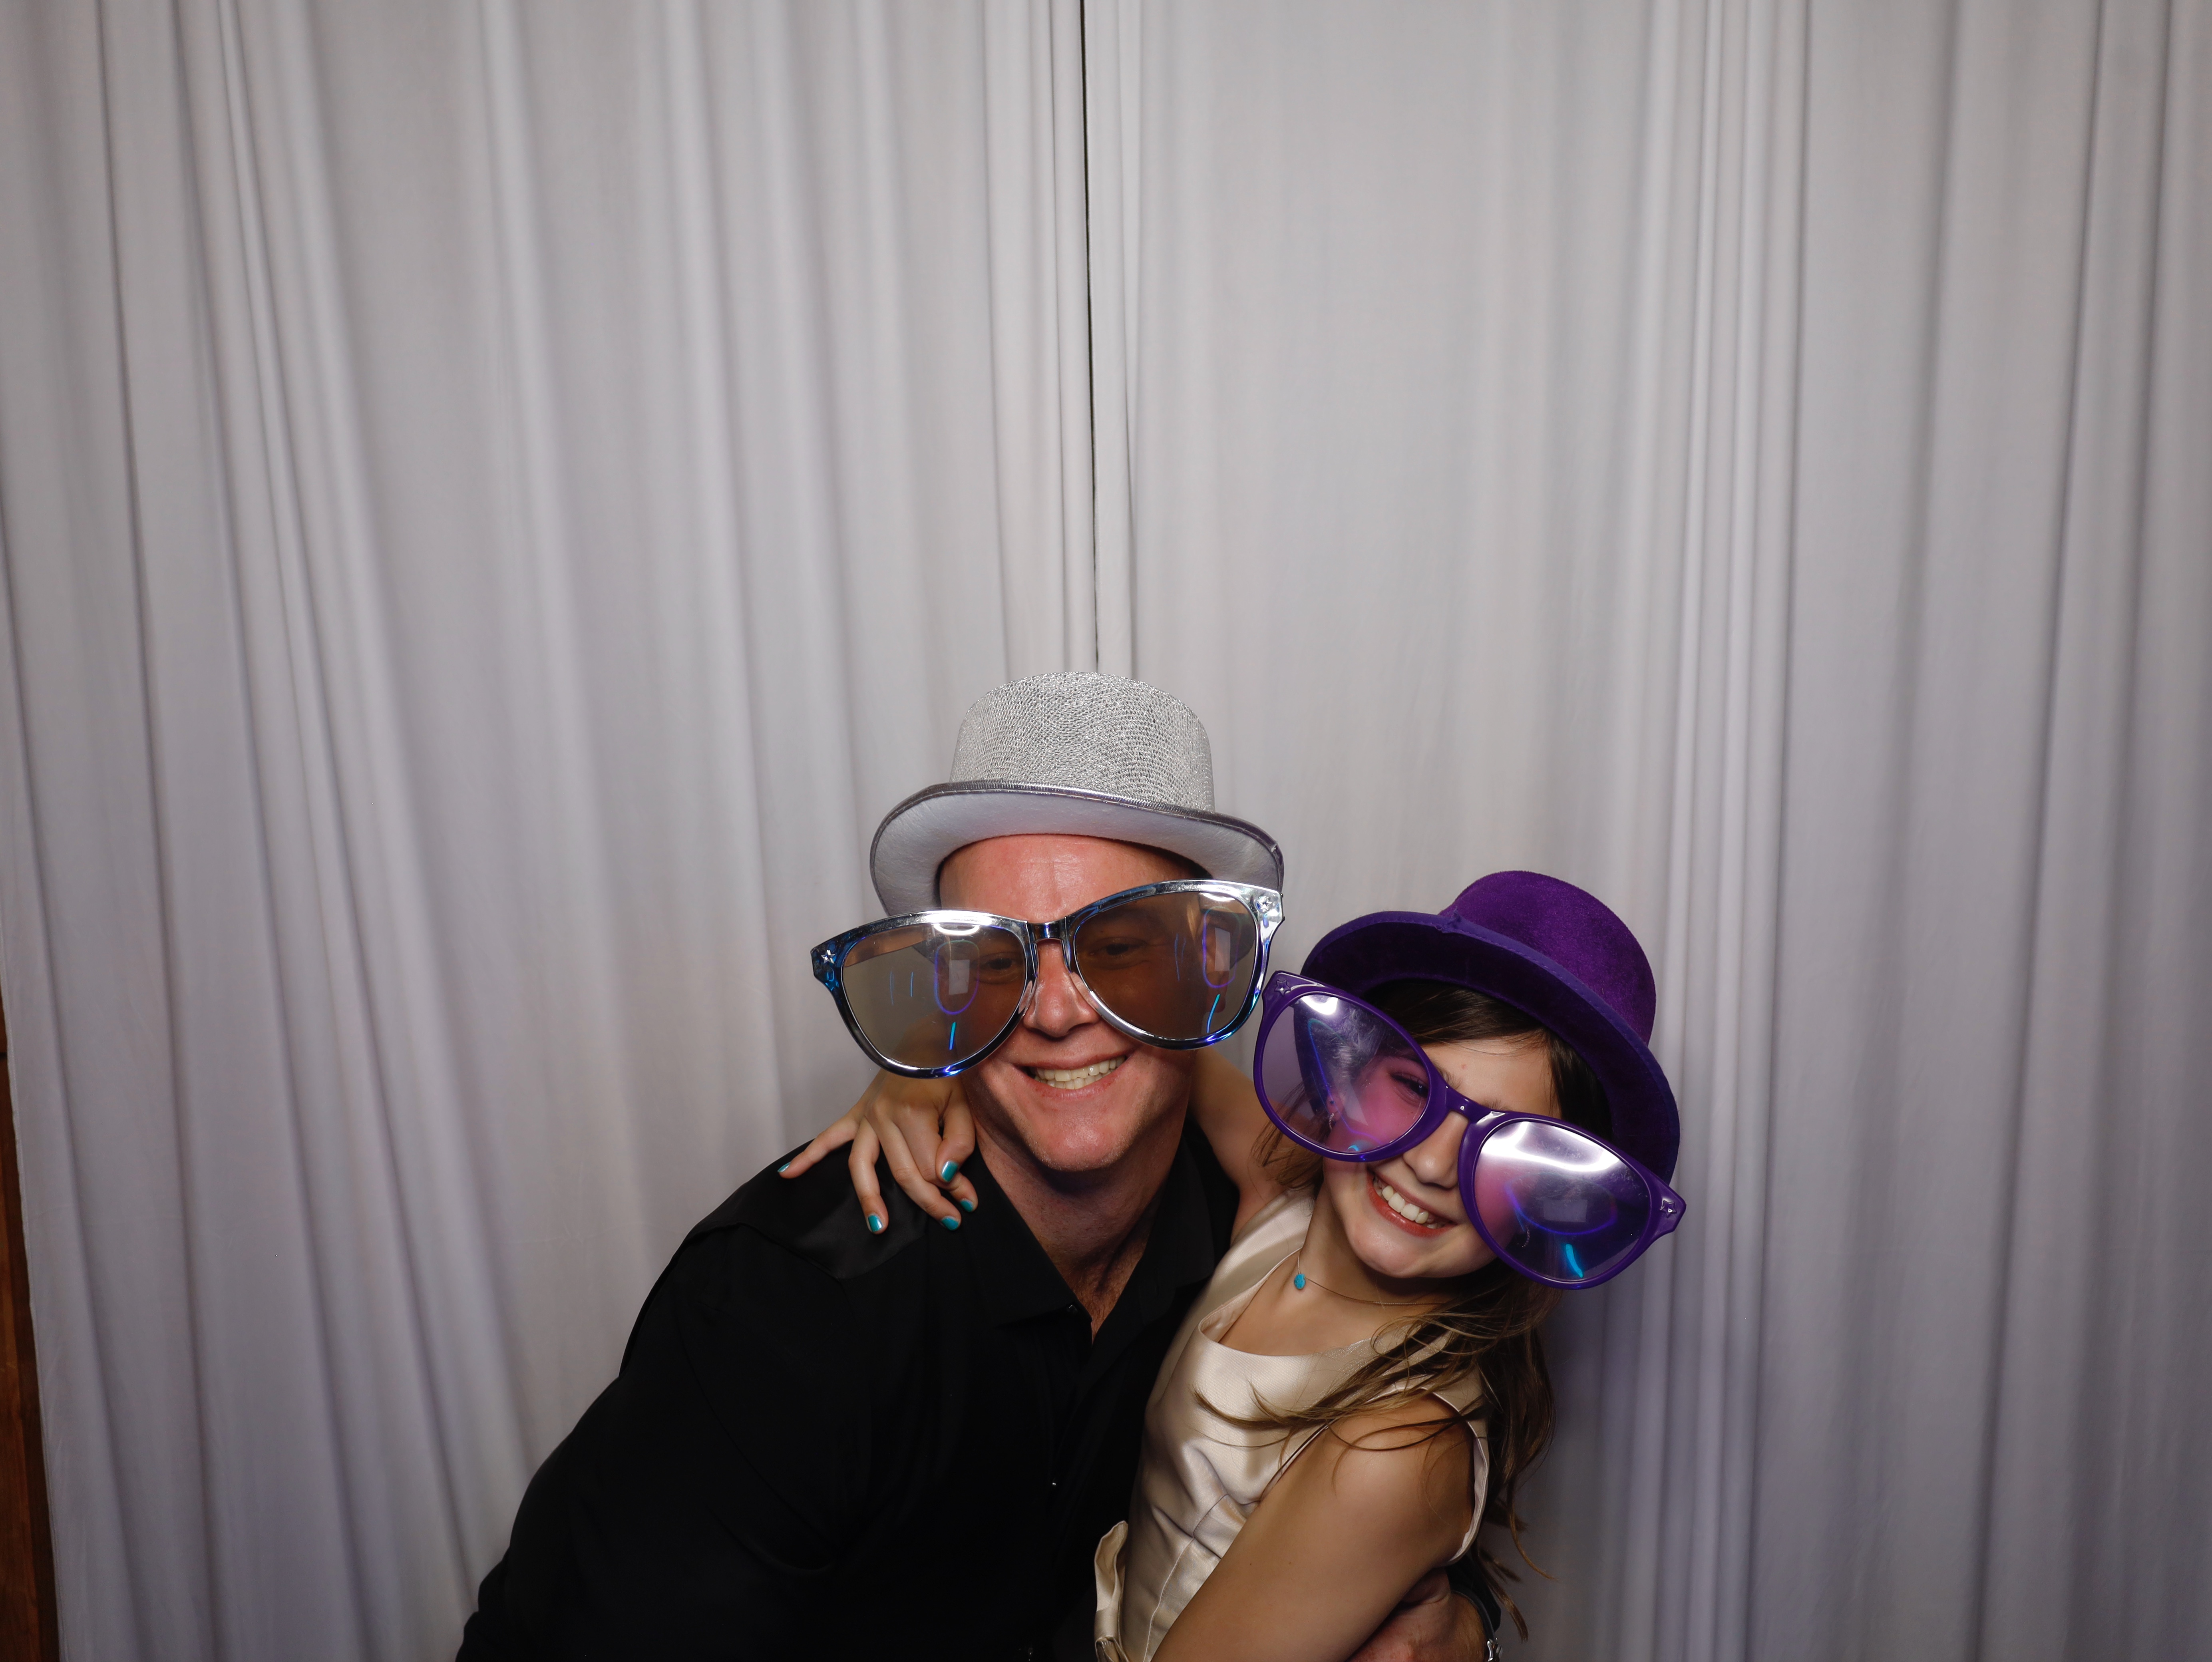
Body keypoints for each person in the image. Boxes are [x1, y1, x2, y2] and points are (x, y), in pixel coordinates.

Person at [457, 673, 1487, 1661]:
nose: (1054, 1011)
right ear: (948, 983)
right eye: (997, 960)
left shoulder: (1257, 1228)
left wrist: (1458, 1621)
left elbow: (1400, 1421)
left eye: (1120, 948)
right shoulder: (784, 1312)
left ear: (1206, 967)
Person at [794, 871, 1684, 1661]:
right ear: (1345, 1070)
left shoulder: (1392, 1451)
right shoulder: (1281, 1191)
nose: (1429, 1163)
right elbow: (1144, 1054)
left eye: (1508, 1142)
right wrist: (923, 1071)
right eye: (1412, 1088)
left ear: (1548, 1196)